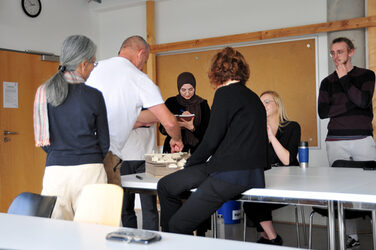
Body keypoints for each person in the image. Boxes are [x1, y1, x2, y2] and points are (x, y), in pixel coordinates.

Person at [157, 47, 267, 235]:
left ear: (216, 71)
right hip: (249, 173)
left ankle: (172, 239)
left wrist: (189, 163)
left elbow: (211, 140)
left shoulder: (225, 94)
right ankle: (175, 236)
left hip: (230, 174)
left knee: (177, 224)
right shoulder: (254, 97)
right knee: (166, 185)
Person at [86, 35, 184, 187]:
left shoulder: (93, 68)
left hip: (77, 150)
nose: (143, 67)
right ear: (141, 53)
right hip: (106, 152)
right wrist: (176, 139)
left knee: (84, 207)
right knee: (109, 207)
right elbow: (170, 123)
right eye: (144, 62)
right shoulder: (139, 78)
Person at [33, 35, 110, 220]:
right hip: (90, 171)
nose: (92, 68)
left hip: (56, 173)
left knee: (56, 236)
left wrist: (60, 154)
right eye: (93, 63)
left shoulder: (44, 92)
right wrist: (90, 157)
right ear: (83, 64)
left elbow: (43, 141)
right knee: (92, 234)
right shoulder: (94, 96)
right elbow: (104, 141)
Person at [318, 37, 376, 248]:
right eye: (332, 53)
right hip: (335, 140)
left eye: (340, 52)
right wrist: (352, 104)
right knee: (342, 191)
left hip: (362, 138)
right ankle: (352, 237)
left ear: (351, 52)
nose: (335, 57)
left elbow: (362, 101)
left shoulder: (367, 75)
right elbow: (323, 112)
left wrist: (344, 80)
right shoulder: (326, 82)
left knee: (372, 187)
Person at [243, 90, 301, 245]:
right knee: (248, 202)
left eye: (267, 102)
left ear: (278, 104)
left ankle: (271, 239)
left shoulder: (292, 127)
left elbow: (287, 160)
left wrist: (271, 137)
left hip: (289, 183)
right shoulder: (257, 131)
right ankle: (270, 237)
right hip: (268, 181)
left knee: (256, 204)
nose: (263, 105)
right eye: (260, 103)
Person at [120, 108, 159, 230]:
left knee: (149, 207)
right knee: (124, 207)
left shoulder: (149, 97)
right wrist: (142, 120)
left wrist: (129, 120)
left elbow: (156, 117)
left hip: (147, 157)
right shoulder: (121, 99)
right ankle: (130, 240)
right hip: (121, 158)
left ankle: (151, 242)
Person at [159, 72, 210, 154]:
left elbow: (208, 132)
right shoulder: (171, 102)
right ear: (178, 88)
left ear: (195, 88)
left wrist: (192, 127)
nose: (187, 93)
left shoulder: (202, 104)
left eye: (190, 89)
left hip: (197, 150)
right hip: (174, 148)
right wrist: (175, 124)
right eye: (183, 90)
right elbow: (162, 129)